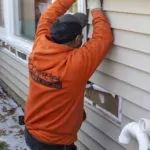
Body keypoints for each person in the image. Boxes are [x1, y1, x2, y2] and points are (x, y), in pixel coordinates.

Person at [24, 0, 113, 149]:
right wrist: (96, 8)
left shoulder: (40, 44)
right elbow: (103, 37)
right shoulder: (74, 65)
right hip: (55, 144)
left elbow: (48, 16)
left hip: (30, 131)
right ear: (78, 39)